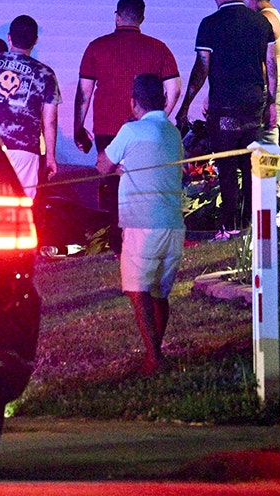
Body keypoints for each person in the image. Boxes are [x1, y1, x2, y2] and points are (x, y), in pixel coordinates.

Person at [175, 0, 276, 235]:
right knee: (251, 166)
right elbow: (270, 65)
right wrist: (272, 103)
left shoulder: (209, 24)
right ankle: (250, 224)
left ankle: (229, 226)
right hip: (254, 107)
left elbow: (202, 66)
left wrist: (186, 105)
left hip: (225, 109)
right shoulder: (261, 23)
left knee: (227, 169)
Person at [96, 74, 185, 376]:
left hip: (141, 221)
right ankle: (156, 352)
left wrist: (119, 162)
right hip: (173, 222)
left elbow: (102, 165)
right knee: (160, 292)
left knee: (138, 291)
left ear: (133, 101)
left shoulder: (130, 131)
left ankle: (153, 357)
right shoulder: (173, 133)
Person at [75, 0, 181, 246]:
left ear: (117, 16)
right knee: (142, 180)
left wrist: (78, 129)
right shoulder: (159, 48)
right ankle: (142, 239)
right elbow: (174, 89)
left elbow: (84, 94)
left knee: (112, 184)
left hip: (107, 128)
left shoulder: (96, 46)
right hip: (145, 129)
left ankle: (115, 240)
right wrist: (159, 117)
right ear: (142, 18)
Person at [0, 15, 61, 198]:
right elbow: (50, 120)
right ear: (35, 41)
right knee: (20, 206)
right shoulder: (45, 73)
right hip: (25, 149)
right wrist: (50, 156)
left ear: (9, 37)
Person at [243, 0, 280, 145]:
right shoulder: (273, 15)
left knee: (265, 148)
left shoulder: (265, 19)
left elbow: (260, 59)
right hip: (271, 90)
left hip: (268, 91)